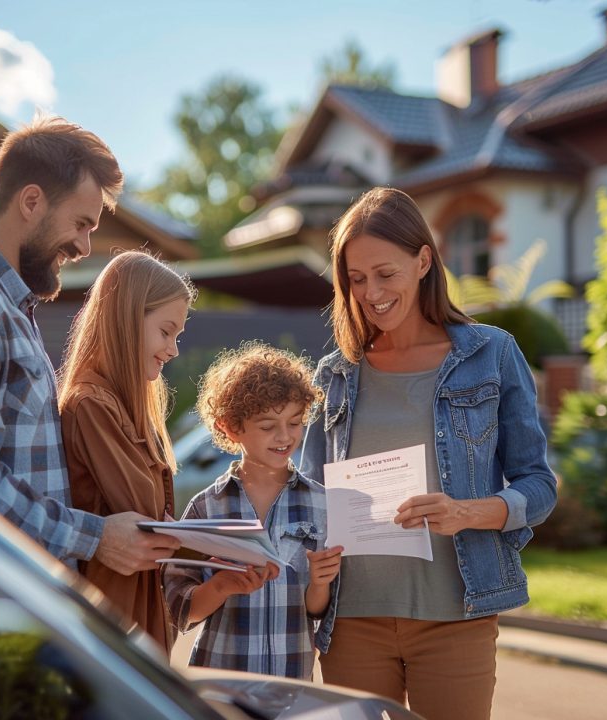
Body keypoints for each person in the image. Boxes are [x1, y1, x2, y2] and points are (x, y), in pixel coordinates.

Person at [300, 187, 557, 719]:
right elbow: (307, 497)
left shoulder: (491, 354)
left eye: (385, 273)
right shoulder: (337, 375)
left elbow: (539, 485)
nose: (371, 292)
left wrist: (465, 512)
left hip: (455, 617)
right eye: (356, 278)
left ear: (423, 260)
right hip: (351, 622)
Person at [0, 116, 179, 575]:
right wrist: (95, 536)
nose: (85, 247)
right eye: (81, 223)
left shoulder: (1, 303)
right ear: (31, 201)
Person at [163, 343, 342, 680]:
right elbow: (180, 610)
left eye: (294, 422)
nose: (284, 436)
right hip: (220, 682)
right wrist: (221, 587)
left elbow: (317, 610)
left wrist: (320, 582)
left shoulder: (322, 503)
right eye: (267, 426)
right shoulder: (206, 507)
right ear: (230, 427)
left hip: (291, 680)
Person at [57, 250, 195, 654]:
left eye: (178, 336)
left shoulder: (123, 405)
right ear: (127, 320)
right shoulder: (91, 404)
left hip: (138, 609)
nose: (173, 349)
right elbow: (144, 513)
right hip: (112, 617)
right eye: (166, 331)